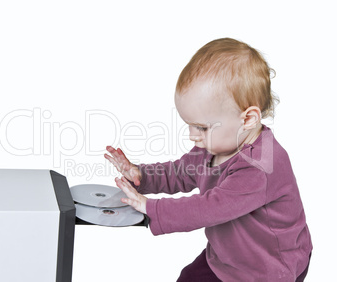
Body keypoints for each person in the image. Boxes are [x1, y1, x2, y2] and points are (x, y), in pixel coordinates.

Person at [104, 38, 312, 281]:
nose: (193, 136)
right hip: (228, 257)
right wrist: (142, 175)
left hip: (268, 268)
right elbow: (181, 172)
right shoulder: (217, 146)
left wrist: (152, 208)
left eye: (201, 128)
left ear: (247, 119)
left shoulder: (262, 166)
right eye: (190, 126)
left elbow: (208, 207)